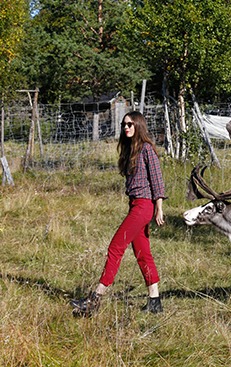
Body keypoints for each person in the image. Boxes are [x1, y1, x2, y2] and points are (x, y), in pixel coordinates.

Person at [71, 110, 166, 316]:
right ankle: (154, 300)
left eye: (130, 124)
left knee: (116, 246)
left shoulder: (147, 149)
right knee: (143, 253)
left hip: (144, 206)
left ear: (138, 126)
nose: (126, 127)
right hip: (135, 205)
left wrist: (159, 208)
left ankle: (95, 299)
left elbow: (157, 180)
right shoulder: (130, 149)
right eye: (124, 124)